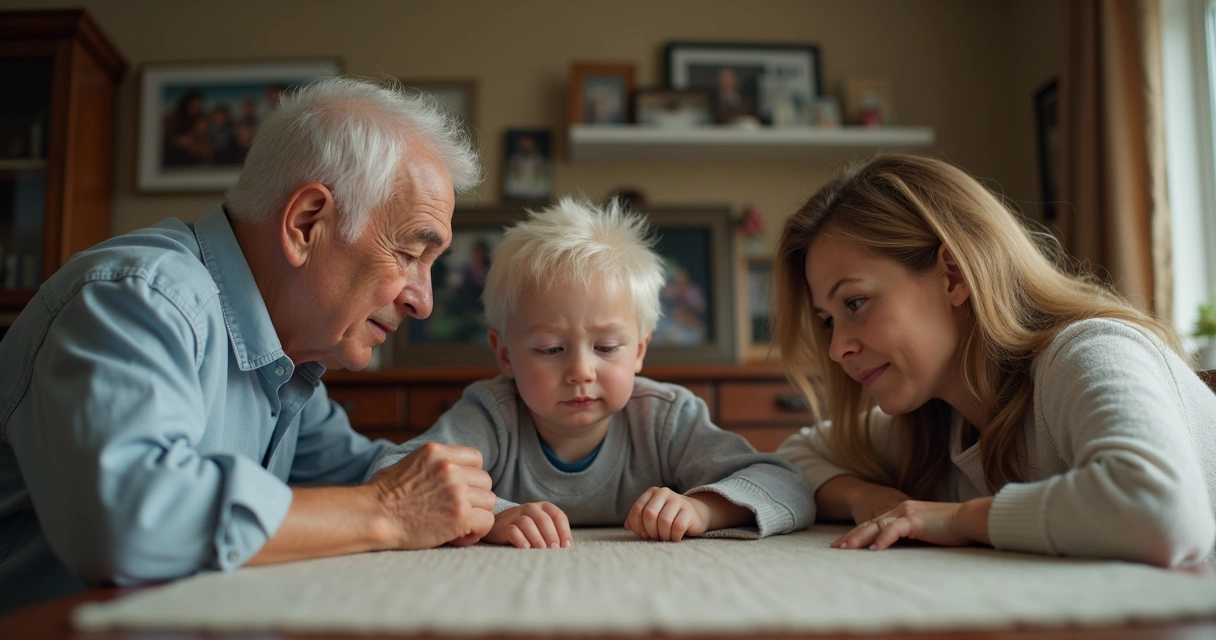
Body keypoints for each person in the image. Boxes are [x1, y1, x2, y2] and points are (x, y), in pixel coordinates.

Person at [0, 77, 492, 613]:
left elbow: (365, 469)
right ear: (307, 223)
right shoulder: (139, 298)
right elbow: (129, 522)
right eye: (408, 253)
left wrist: (485, 509)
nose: (424, 302)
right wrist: (390, 511)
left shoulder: (287, 356)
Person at [772, 154, 1216, 567]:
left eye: (854, 303)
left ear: (954, 275)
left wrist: (956, 519)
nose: (837, 348)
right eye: (828, 320)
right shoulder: (935, 426)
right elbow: (794, 458)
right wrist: (862, 496)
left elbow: (1163, 512)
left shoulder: (1091, 351)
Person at [366, 198, 814, 549]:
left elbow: (787, 485)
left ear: (639, 350)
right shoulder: (490, 413)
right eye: (550, 349)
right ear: (505, 355)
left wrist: (703, 510)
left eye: (606, 347)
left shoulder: (665, 417)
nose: (580, 370)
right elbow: (390, 476)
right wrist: (496, 515)